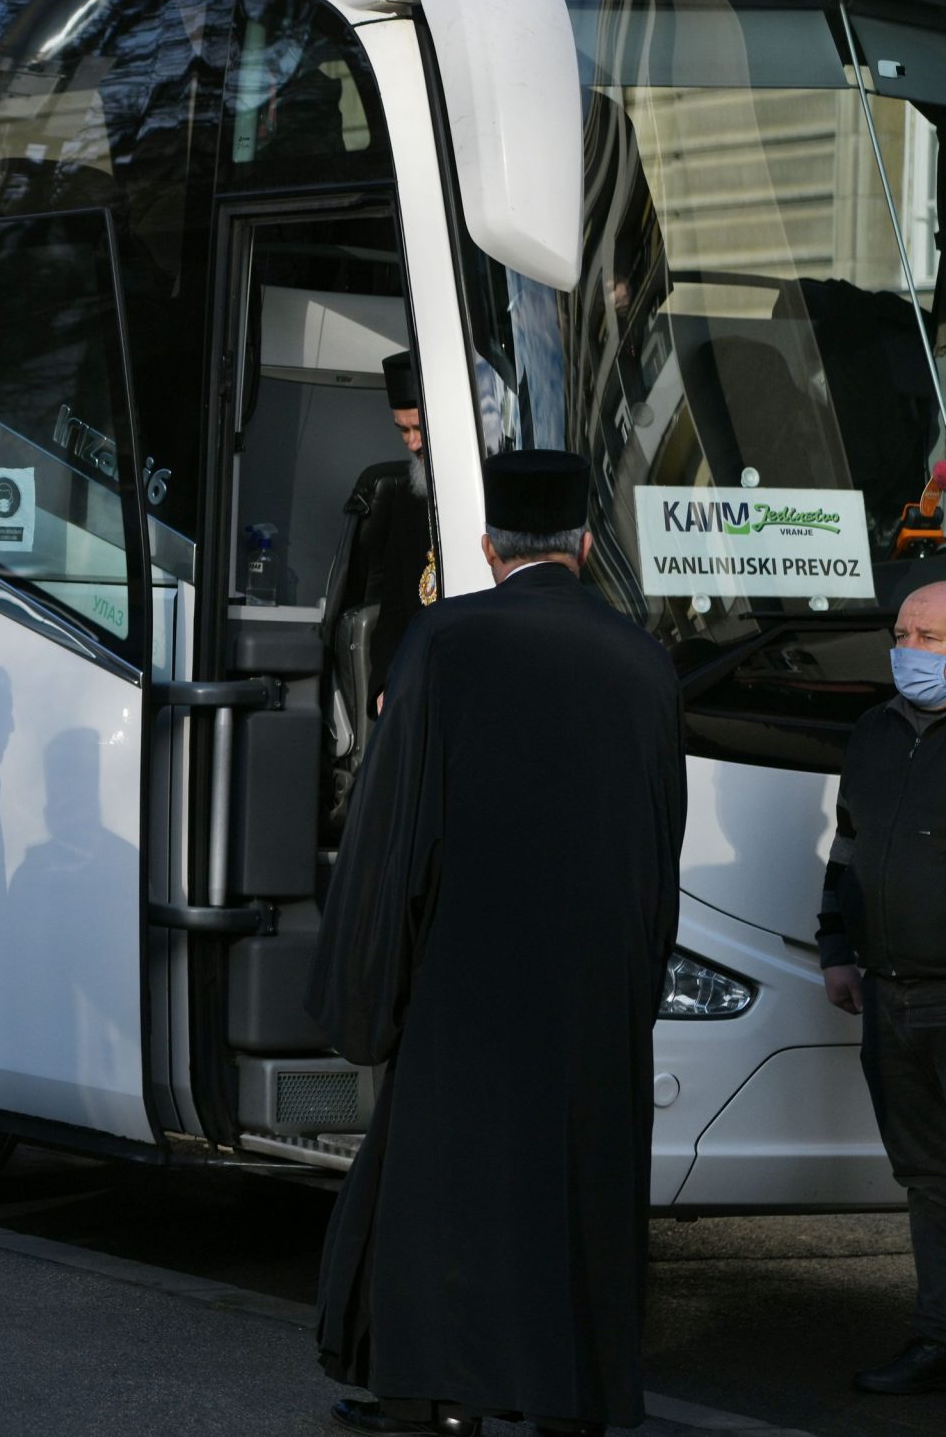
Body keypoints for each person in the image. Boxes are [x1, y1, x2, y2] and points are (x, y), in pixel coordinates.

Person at [308, 449, 684, 1437]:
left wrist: (364, 982)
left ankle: (434, 1398)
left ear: (486, 545)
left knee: (446, 1192)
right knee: (573, 1194)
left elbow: (395, 833)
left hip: (462, 974)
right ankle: (574, 1397)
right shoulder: (643, 661)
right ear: (586, 544)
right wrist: (633, 982)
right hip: (591, 986)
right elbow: (658, 843)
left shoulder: (446, 639)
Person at [816, 578, 946, 1396]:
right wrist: (836, 947)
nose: (910, 650)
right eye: (903, 632)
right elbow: (847, 847)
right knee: (927, 1178)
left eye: (930, 637)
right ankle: (936, 1336)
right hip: (890, 997)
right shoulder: (871, 731)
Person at [328, 350, 437, 707]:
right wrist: (384, 686)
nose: (411, 442)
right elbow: (394, 607)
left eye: (419, 428)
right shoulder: (406, 501)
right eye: (402, 430)